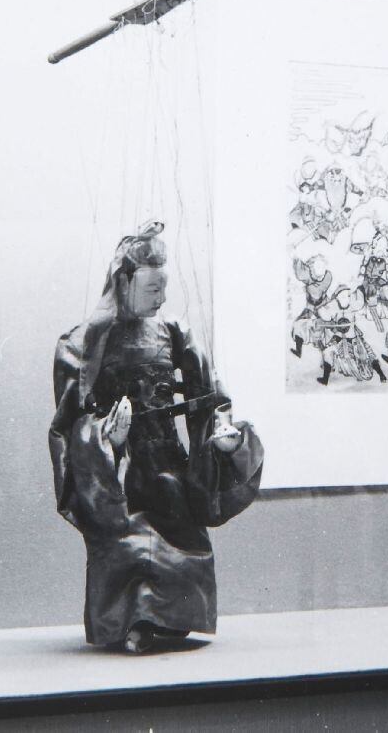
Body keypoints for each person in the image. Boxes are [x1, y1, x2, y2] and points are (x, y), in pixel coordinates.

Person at [49, 223, 266, 653]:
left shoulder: (175, 332)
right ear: (124, 282)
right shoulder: (82, 341)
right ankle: (133, 625)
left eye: (164, 288)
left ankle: (171, 625)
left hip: (168, 464)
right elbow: (68, 422)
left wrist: (222, 435)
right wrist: (105, 439)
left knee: (181, 539)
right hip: (118, 473)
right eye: (152, 289)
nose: (162, 299)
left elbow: (209, 397)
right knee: (123, 544)